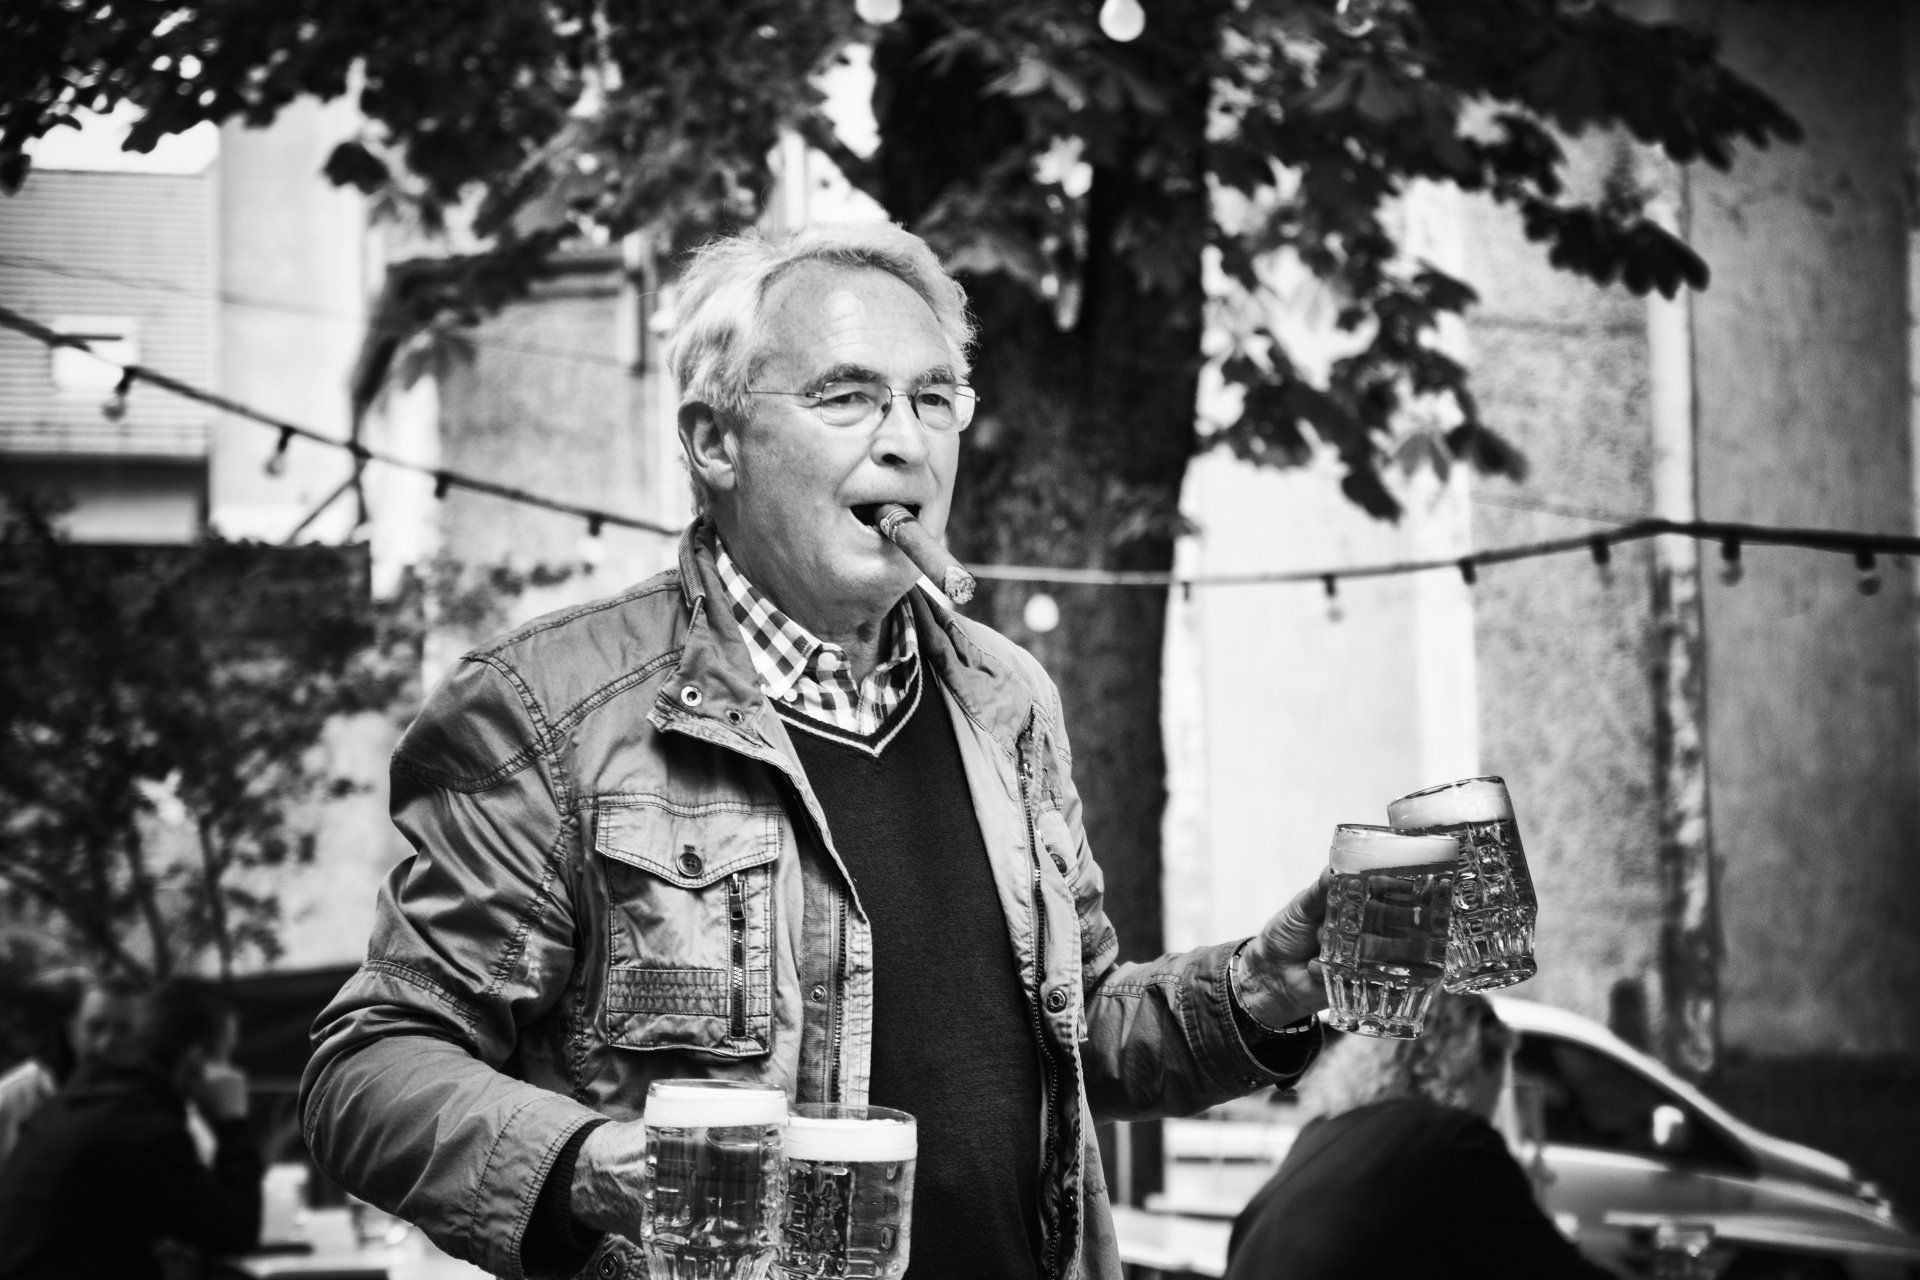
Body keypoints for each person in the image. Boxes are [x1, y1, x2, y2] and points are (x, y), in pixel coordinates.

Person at [300, 220, 1370, 1280]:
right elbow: (369, 1066)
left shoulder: (1008, 700)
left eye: (934, 397)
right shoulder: (546, 708)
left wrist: (1259, 987)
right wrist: (593, 1165)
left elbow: (1076, 1032)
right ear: (714, 441)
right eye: (847, 394)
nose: (906, 438)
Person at [1223, 993, 1617, 1280]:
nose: (1494, 1107)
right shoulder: (1453, 1139)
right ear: (1472, 1063)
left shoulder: (1322, 1132)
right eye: (1499, 1086)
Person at [0, 977, 261, 1280]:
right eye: (223, 1056)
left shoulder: (74, 1106)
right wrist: (233, 1121)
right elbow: (235, 1232)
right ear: (197, 1058)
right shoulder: (141, 1129)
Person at [0, 971, 139, 1169]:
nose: (106, 1043)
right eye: (95, 1028)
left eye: (123, 1030)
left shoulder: (153, 1108)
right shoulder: (14, 1100)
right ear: (72, 1031)